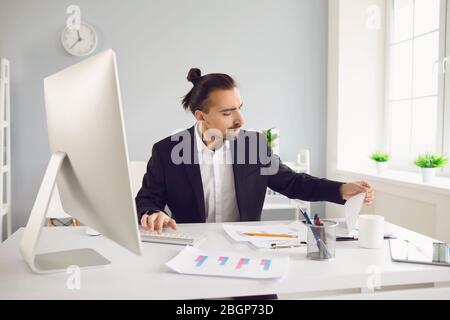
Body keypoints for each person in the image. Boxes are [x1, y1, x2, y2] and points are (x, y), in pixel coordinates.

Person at [135, 68, 374, 299]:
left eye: (240, 108)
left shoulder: (254, 146)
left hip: (245, 253)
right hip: (190, 255)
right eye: (228, 112)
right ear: (201, 115)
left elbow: (293, 182)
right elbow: (146, 199)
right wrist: (153, 212)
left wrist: (340, 189)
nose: (240, 119)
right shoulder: (168, 151)